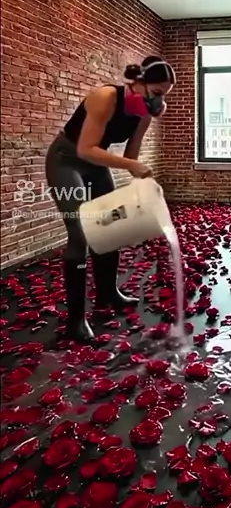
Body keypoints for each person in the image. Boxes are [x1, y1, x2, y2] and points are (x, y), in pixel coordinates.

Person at [45, 56, 176, 345]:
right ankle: (75, 321)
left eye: (164, 96)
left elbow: (131, 156)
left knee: (110, 225)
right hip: (67, 160)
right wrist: (132, 166)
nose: (159, 102)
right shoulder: (105, 97)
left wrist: (143, 182)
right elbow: (86, 148)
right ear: (139, 82)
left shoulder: (144, 112)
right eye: (157, 93)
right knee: (80, 232)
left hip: (95, 164)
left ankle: (107, 294)